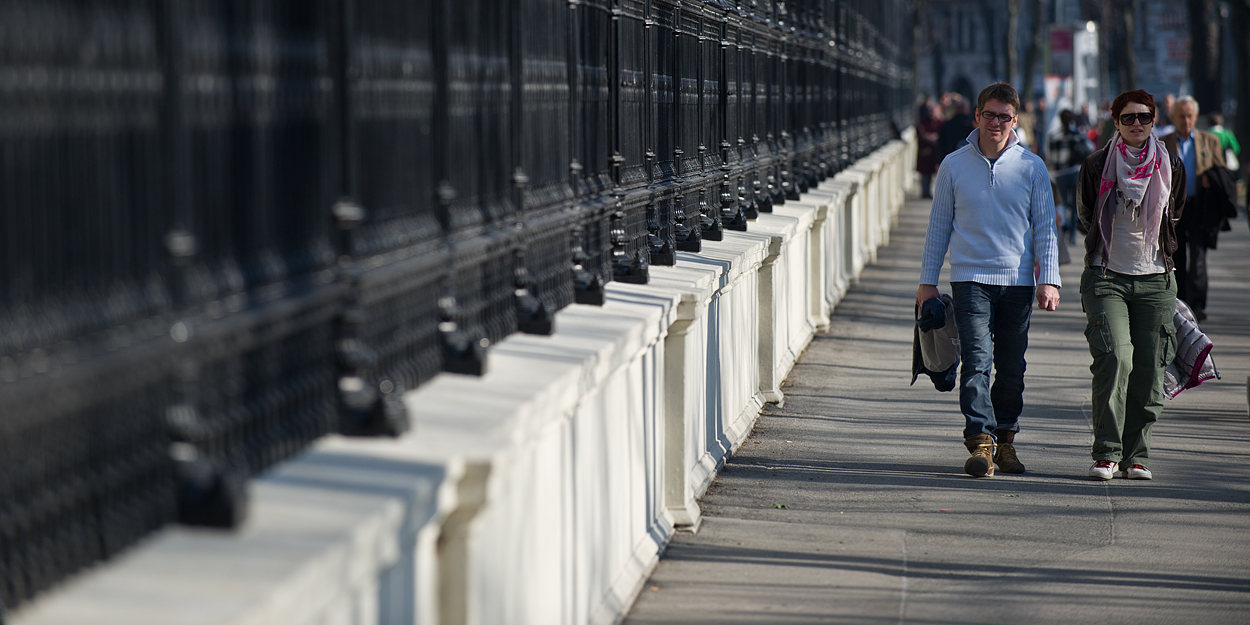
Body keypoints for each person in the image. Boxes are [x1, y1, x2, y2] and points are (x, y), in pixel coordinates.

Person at [917, 82, 1061, 478]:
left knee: (1012, 367)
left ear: (1015, 121)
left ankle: (1006, 441)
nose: (996, 123)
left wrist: (1049, 279)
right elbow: (938, 228)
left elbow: (1046, 228)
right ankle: (980, 441)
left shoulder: (1031, 167)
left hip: (1017, 283)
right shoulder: (953, 164)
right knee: (977, 362)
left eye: (1004, 116)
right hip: (970, 280)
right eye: (989, 114)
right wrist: (927, 282)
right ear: (977, 116)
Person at [1076, 90, 1186, 481]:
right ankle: (1107, 451)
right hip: (1107, 276)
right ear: (1116, 123)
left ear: (1154, 120)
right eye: (1127, 118)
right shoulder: (1095, 164)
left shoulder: (1171, 163)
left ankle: (1137, 455)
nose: (1136, 124)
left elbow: (1175, 214)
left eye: (1143, 117)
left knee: (1149, 370)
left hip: (1156, 279)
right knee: (1115, 357)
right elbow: (1086, 215)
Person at [1161, 95, 1225, 321]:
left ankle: (1197, 304)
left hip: (1199, 207)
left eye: (1189, 116)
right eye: (1181, 116)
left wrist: (1211, 179)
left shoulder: (1210, 141)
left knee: (1198, 256)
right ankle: (1180, 302)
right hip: (1174, 209)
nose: (1185, 121)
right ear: (1173, 117)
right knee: (1175, 255)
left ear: (1196, 117)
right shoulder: (1163, 142)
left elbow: (1222, 172)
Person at [1049, 109, 1095, 244]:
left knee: (1061, 203)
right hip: (1075, 171)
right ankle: (1073, 235)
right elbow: (1090, 147)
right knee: (1076, 203)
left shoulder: (1054, 136)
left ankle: (1065, 226)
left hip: (1060, 173)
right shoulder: (1077, 135)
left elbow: (1051, 156)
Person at [935, 97, 976, 166]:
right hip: (968, 161)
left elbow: (941, 145)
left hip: (950, 161)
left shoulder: (948, 124)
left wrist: (939, 161)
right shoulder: (971, 124)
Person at [916, 102, 943, 198]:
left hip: (936, 153)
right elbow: (920, 133)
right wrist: (928, 137)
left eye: (934, 111)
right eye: (931, 111)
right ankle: (925, 193)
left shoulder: (941, 123)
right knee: (925, 175)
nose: (932, 113)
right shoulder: (923, 122)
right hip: (925, 151)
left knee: (938, 175)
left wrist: (935, 137)